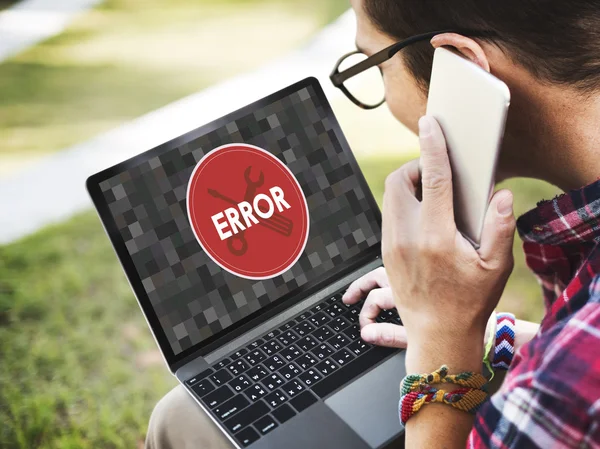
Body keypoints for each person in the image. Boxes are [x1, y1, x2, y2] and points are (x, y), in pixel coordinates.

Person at [146, 0, 600, 447]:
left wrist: (442, 344)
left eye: (374, 65)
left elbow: (570, 376)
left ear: (464, 69)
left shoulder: (569, 391)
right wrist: (484, 334)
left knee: (178, 421)